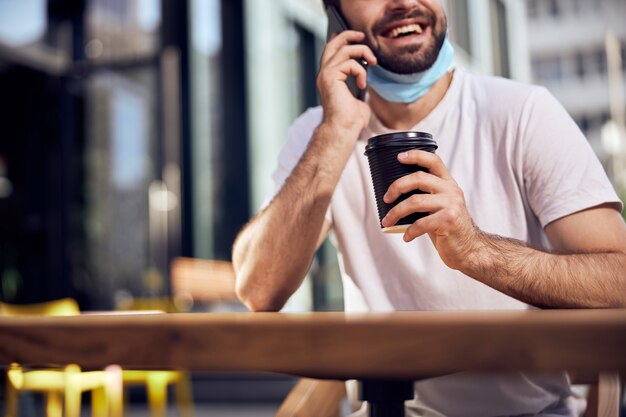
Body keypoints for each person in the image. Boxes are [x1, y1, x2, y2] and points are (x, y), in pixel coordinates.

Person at [232, 0, 626, 415]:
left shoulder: (523, 112)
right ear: (336, 17)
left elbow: (618, 281)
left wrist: (477, 250)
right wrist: (337, 130)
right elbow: (258, 289)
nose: (402, 2)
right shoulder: (321, 133)